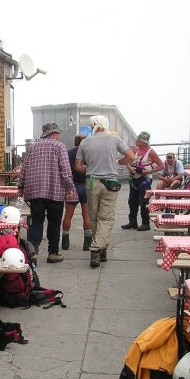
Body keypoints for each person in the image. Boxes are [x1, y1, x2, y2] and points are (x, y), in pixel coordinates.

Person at [75, 115, 135, 268]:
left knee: (93, 217)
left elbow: (78, 166)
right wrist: (118, 162)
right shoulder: (114, 139)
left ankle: (101, 249)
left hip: (91, 182)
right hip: (110, 182)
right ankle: (97, 248)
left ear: (93, 126)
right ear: (105, 125)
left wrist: (89, 169)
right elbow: (131, 156)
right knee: (106, 218)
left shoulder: (84, 142)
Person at [18, 122, 76, 263]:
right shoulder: (59, 146)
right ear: (54, 133)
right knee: (54, 223)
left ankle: (32, 252)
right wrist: (69, 188)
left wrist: (21, 185)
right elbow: (65, 170)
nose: (59, 136)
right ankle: (53, 253)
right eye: (58, 133)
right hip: (55, 192)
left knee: (36, 222)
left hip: (35, 192)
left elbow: (24, 168)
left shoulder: (33, 147)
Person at [121, 132, 163, 232]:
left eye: (138, 140)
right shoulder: (135, 150)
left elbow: (161, 165)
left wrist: (150, 171)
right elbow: (126, 161)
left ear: (143, 142)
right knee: (132, 201)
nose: (136, 141)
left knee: (143, 202)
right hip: (134, 178)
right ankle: (133, 222)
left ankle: (145, 223)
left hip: (145, 179)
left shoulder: (151, 152)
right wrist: (130, 168)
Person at [61, 134, 93, 252]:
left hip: (72, 186)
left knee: (68, 215)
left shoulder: (69, 153)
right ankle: (87, 242)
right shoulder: (88, 153)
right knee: (86, 214)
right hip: (86, 185)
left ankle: (65, 240)